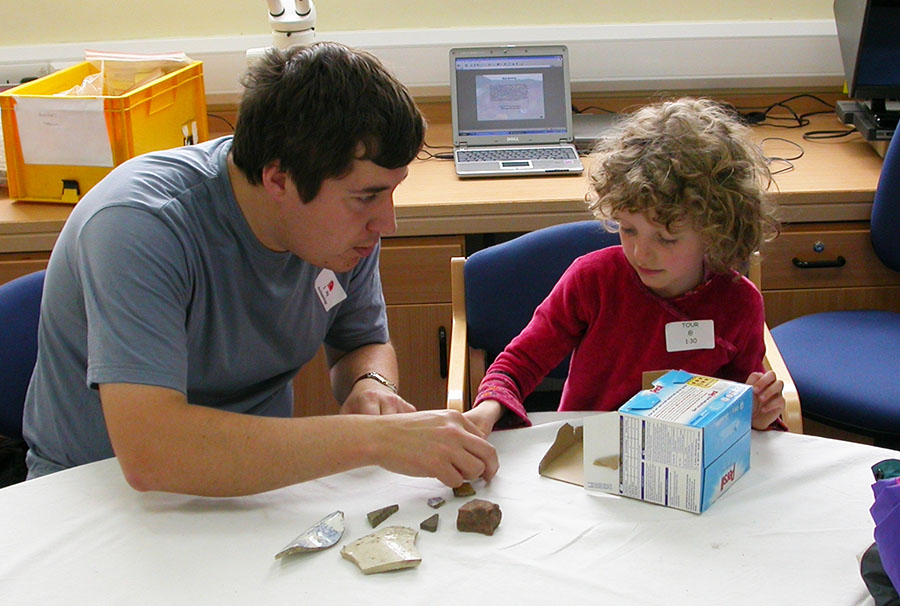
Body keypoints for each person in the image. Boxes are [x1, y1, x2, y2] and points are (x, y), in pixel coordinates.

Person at [22, 42, 498, 496]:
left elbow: (361, 341)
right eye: (368, 195)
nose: (386, 223)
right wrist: (377, 440)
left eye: (392, 191)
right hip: (97, 494)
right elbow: (153, 453)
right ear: (279, 179)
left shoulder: (341, 230)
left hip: (253, 485)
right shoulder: (141, 226)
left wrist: (370, 385)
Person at [465, 97, 786, 435]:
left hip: (684, 459)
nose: (640, 253)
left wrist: (757, 414)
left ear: (715, 231)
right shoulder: (592, 281)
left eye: (666, 238)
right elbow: (520, 364)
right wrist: (489, 409)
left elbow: (740, 405)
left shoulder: (738, 303)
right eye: (627, 229)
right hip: (590, 452)